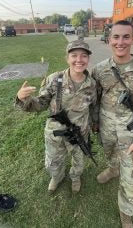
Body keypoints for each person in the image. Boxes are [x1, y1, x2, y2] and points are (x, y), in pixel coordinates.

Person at [92, 20, 133, 228]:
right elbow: (94, 99)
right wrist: (94, 123)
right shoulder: (100, 70)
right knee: (111, 156)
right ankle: (113, 170)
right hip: (106, 130)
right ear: (109, 39)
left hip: (131, 136)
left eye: (125, 37)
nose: (120, 42)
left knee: (130, 176)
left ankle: (126, 212)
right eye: (116, 37)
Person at [16, 40, 96, 193]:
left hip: (79, 133)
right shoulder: (55, 79)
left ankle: (75, 177)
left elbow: (93, 107)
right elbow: (40, 104)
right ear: (67, 58)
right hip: (55, 134)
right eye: (74, 55)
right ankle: (56, 177)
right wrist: (23, 99)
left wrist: (94, 124)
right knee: (54, 161)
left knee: (79, 160)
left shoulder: (92, 84)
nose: (79, 60)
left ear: (88, 59)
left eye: (83, 56)